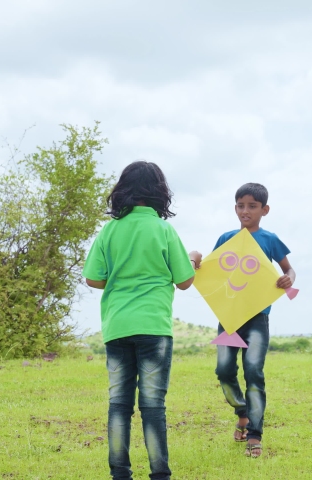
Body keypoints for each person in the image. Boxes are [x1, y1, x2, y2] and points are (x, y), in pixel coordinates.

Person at [83, 161, 202, 480]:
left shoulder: (109, 230)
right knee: (153, 406)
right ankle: (159, 474)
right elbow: (185, 280)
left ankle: (120, 473)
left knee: (119, 404)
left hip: (117, 327)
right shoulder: (164, 230)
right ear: (159, 193)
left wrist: (122, 279)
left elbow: (93, 279)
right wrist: (193, 259)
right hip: (154, 329)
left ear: (123, 190)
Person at [213, 182, 296, 458]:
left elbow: (289, 270)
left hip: (258, 318)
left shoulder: (269, 239)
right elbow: (214, 272)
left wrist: (288, 279)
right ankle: (242, 412)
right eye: (240, 205)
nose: (245, 211)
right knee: (224, 371)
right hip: (229, 318)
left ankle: (255, 434)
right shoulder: (226, 238)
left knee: (253, 372)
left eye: (251, 206)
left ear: (265, 210)